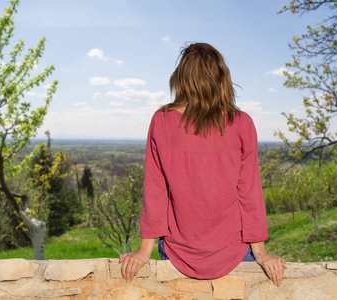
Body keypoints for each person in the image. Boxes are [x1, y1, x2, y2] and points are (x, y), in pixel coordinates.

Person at [119, 42, 286, 286]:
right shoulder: (242, 123)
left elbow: (155, 190)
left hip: (176, 252)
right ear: (222, 78)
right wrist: (260, 252)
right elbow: (249, 191)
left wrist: (145, 250)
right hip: (236, 252)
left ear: (181, 78)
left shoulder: (161, 121)